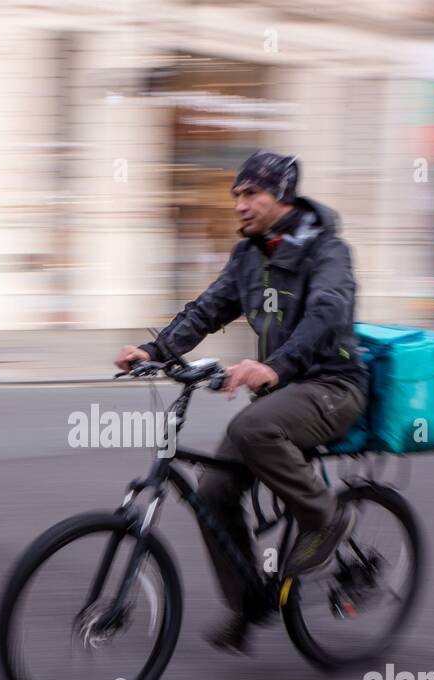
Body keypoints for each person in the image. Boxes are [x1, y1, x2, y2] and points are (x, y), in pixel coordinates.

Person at [114, 150, 368, 654]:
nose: (240, 205)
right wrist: (156, 350)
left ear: (282, 196)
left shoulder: (328, 250)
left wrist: (276, 366)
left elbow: (326, 313)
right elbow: (209, 308)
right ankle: (249, 601)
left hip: (333, 387)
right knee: (214, 491)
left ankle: (326, 517)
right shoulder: (249, 255)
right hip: (284, 393)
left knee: (253, 429)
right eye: (236, 195)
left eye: (251, 193)